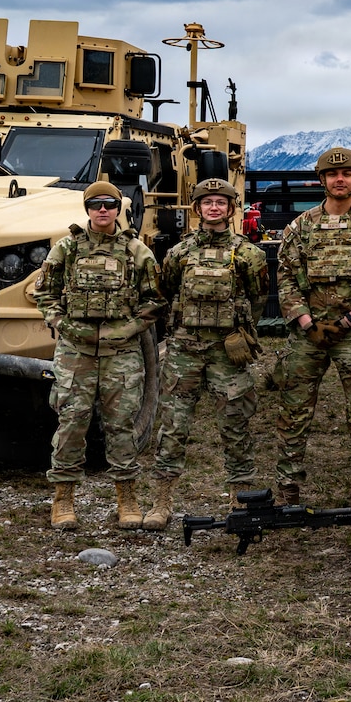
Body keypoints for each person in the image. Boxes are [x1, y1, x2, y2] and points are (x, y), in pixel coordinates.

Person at [33, 180, 163, 531]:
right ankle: (63, 499)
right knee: (72, 422)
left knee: (121, 424)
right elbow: (43, 293)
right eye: (95, 205)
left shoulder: (137, 252)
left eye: (109, 204)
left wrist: (129, 329)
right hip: (76, 353)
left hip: (121, 353)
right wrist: (63, 323)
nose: (102, 210)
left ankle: (127, 497)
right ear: (87, 209)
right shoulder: (67, 249)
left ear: (118, 208)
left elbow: (154, 301)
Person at [270, 146, 351, 505]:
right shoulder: (300, 227)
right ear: (322, 179)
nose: (338, 179)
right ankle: (288, 491)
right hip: (308, 334)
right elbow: (285, 278)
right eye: (331, 174)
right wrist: (307, 322)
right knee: (293, 414)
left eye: (346, 175)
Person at [146, 176, 271, 528]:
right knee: (173, 426)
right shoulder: (179, 253)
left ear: (230, 209)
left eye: (220, 202)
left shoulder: (248, 253)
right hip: (184, 351)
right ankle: (161, 501)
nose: (213, 207)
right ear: (197, 208)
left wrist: (240, 331)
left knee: (235, 425)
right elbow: (166, 291)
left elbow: (259, 298)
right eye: (206, 202)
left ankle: (239, 498)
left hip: (227, 354)